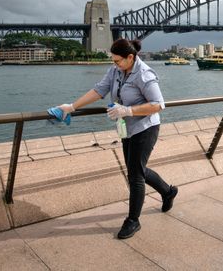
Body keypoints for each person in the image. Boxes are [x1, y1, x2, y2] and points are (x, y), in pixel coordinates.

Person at [56, 38, 178, 239]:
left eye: (118, 61)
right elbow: (98, 90)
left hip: (145, 128)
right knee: (137, 169)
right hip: (127, 128)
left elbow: (158, 105)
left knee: (135, 175)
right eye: (113, 60)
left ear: (130, 57)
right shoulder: (115, 71)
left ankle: (133, 220)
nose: (114, 64)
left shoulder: (145, 74)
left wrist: (128, 110)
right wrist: (72, 106)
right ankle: (167, 192)